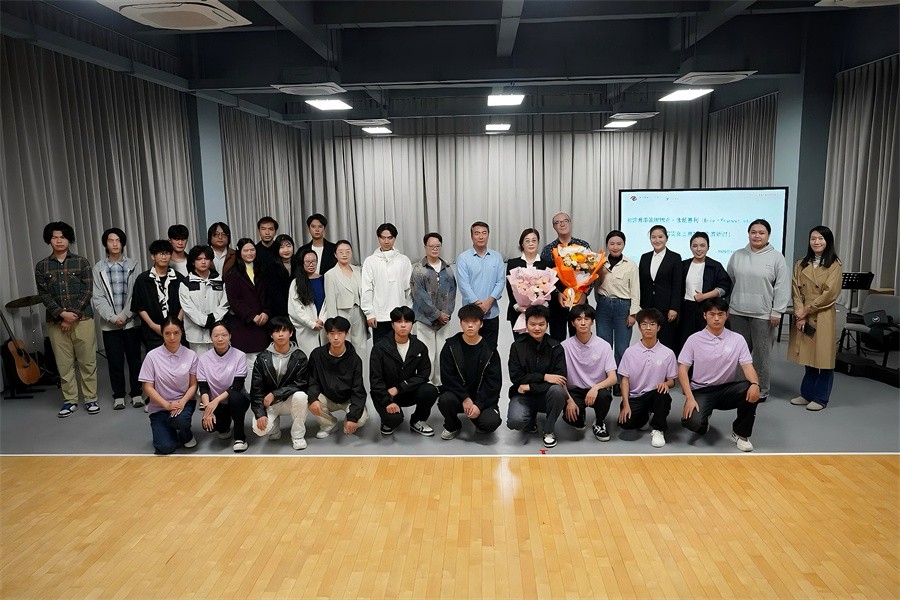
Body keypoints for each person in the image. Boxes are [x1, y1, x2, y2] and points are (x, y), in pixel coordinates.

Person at [679, 298, 761, 452]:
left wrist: (755, 384)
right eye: (712, 314)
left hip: (726, 390)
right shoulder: (694, 340)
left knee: (751, 388)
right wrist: (689, 397)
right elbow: (682, 369)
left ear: (726, 315)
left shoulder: (737, 339)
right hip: (701, 390)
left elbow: (748, 367)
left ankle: (740, 433)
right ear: (705, 316)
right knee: (692, 423)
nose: (716, 318)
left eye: (721, 314)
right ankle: (704, 420)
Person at [35, 221, 99, 417]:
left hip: (83, 318)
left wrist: (72, 315)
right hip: (56, 322)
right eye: (54, 237)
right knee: (64, 364)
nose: (58, 240)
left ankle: (90, 398)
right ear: (49, 240)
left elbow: (87, 290)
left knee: (87, 361)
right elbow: (44, 295)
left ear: (69, 239)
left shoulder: (82, 262)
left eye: (62, 237)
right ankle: (70, 400)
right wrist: (62, 314)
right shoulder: (42, 266)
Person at [726, 219, 789, 402]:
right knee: (740, 353)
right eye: (753, 232)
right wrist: (728, 306)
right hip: (737, 312)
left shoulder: (776, 257)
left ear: (768, 235)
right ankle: (740, 386)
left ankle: (761, 389)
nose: (757, 236)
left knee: (761, 355)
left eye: (761, 233)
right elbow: (730, 282)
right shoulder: (738, 255)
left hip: (763, 315)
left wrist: (777, 311)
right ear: (748, 234)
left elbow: (782, 286)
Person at [788, 226, 843, 411]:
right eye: (813, 238)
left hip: (822, 313)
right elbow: (795, 290)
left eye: (821, 238)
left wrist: (806, 310)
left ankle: (821, 398)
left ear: (828, 241)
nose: (816, 242)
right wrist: (799, 311)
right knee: (807, 356)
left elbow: (830, 294)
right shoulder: (801, 263)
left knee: (824, 358)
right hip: (803, 313)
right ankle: (807, 394)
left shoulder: (834, 264)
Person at [92, 227, 142, 411]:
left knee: (135, 359)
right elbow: (98, 297)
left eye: (118, 240)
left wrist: (125, 315)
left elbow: (136, 293)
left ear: (122, 243)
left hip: (131, 322)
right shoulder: (99, 268)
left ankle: (136, 393)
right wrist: (113, 318)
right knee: (114, 361)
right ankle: (119, 395)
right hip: (109, 324)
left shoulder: (133, 265)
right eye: (111, 240)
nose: (114, 244)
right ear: (105, 244)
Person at [370, 306, 439, 436]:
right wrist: (387, 400)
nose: (403, 325)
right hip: (386, 393)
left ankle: (418, 420)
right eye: (398, 322)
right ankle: (387, 420)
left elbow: (424, 374)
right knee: (394, 420)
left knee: (430, 390)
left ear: (412, 324)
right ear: (392, 324)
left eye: (407, 321)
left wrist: (400, 387)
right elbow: (375, 379)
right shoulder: (380, 348)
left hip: (407, 390)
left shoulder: (419, 346)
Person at [437, 304, 502, 440]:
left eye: (474, 321)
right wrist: (465, 398)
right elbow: (448, 378)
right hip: (458, 397)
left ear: (481, 324)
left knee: (490, 423)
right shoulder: (451, 346)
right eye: (466, 322)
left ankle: (477, 418)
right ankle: (453, 425)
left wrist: (479, 404)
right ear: (461, 323)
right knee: (445, 400)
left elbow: (494, 383)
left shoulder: (490, 349)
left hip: (481, 398)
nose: (470, 325)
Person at [506, 305, 568, 448]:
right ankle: (530, 419)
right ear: (526, 324)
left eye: (541, 324)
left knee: (558, 391)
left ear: (547, 324)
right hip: (523, 395)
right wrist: (544, 377)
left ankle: (549, 430)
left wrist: (530, 386)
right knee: (515, 421)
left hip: (544, 395)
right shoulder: (517, 346)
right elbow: (516, 377)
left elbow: (560, 378)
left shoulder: (556, 347)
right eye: (532, 324)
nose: (537, 328)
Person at [617, 308, 677, 448]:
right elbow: (624, 380)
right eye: (644, 324)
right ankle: (645, 416)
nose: (648, 328)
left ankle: (658, 429)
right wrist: (625, 404)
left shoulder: (668, 353)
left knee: (662, 394)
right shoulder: (630, 352)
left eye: (652, 324)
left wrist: (666, 384)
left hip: (655, 394)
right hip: (635, 396)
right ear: (639, 327)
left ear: (659, 327)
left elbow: (672, 381)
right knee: (626, 424)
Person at [138, 316, 198, 455]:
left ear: (182, 332)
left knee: (181, 421)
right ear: (162, 333)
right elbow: (147, 387)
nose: (172, 337)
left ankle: (185, 434)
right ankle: (169, 429)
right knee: (165, 447)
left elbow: (193, 385)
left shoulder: (191, 355)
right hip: (160, 406)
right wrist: (167, 405)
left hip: (183, 403)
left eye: (176, 333)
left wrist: (181, 403)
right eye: (167, 333)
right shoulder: (152, 356)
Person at [250, 316, 310, 450]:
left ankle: (298, 435)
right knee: (259, 430)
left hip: (289, 400)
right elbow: (256, 389)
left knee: (302, 396)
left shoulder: (300, 356)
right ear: (271, 335)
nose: (281, 334)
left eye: (284, 330)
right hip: (269, 404)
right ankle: (274, 428)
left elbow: (301, 383)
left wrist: (275, 394)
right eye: (276, 331)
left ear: (291, 333)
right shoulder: (262, 358)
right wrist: (260, 414)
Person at [560, 304, 617, 441]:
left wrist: (596, 388)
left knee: (604, 396)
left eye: (587, 319)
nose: (583, 323)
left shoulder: (604, 346)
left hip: (596, 389)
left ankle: (599, 422)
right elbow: (560, 378)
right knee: (576, 422)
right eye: (579, 319)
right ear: (573, 323)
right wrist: (569, 400)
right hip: (574, 390)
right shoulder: (564, 346)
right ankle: (580, 416)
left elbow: (613, 378)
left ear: (592, 322)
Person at [306, 316, 369, 438]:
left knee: (361, 419)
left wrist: (352, 418)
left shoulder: (355, 360)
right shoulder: (317, 355)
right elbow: (312, 380)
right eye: (332, 333)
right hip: (327, 397)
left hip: (348, 399)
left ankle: (348, 421)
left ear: (346, 334)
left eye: (340, 333)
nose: (335, 337)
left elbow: (358, 389)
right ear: (327, 335)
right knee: (307, 400)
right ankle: (329, 424)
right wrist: (313, 399)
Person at [593, 230, 640, 392]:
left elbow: (635, 291)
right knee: (604, 346)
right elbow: (596, 286)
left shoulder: (631, 265)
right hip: (603, 307)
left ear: (624, 245)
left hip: (623, 307)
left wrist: (633, 314)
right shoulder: (600, 263)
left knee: (621, 347)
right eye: (612, 243)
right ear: (607, 245)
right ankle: (606, 382)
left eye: (619, 243)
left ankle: (620, 382)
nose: (615, 247)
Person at [197, 321, 251, 452]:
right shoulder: (204, 359)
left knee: (235, 398)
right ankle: (224, 427)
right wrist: (207, 410)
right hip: (217, 403)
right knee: (208, 425)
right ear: (211, 338)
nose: (220, 338)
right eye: (216, 335)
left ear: (230, 336)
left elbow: (237, 385)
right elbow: (203, 388)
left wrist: (215, 401)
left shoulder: (239, 355)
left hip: (237, 399)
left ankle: (240, 437)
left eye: (224, 335)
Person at [411, 232, 457, 387]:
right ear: (425, 247)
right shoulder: (418, 269)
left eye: (437, 246)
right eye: (431, 246)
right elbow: (419, 295)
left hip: (444, 321)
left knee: (443, 353)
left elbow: (453, 292)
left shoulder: (447, 268)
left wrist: (446, 314)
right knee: (427, 354)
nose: (435, 249)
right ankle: (427, 385)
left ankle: (442, 385)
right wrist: (437, 314)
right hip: (424, 320)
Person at [677, 232, 731, 353]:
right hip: (686, 309)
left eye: (702, 245)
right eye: (695, 246)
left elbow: (724, 288)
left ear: (708, 247)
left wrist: (704, 296)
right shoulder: (683, 265)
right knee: (686, 342)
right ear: (690, 247)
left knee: (706, 343)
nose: (698, 249)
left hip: (707, 309)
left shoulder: (715, 266)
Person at [540, 212, 591, 341]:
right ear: (554, 227)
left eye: (565, 221)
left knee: (580, 339)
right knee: (557, 340)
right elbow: (545, 278)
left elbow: (591, 272)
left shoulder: (583, 245)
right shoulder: (548, 249)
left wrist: (584, 294)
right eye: (557, 222)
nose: (562, 224)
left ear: (570, 223)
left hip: (579, 299)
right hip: (558, 302)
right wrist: (557, 293)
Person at [224, 238, 271, 379]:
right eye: (246, 250)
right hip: (242, 325)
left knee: (263, 363)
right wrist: (252, 316)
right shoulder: (232, 273)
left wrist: (266, 312)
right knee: (246, 366)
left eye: (252, 250)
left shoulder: (262, 270)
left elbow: (269, 294)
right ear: (239, 252)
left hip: (262, 323)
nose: (250, 253)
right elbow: (234, 301)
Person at [455, 221, 505, 349]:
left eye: (484, 233)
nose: (481, 236)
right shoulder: (463, 258)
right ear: (471, 236)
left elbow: (500, 282)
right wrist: (478, 305)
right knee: (470, 349)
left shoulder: (497, 257)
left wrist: (488, 302)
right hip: (470, 315)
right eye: (477, 233)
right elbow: (464, 285)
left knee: (491, 348)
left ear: (488, 235)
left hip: (492, 312)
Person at [360, 223, 412, 345]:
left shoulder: (403, 260)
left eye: (390, 238)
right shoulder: (370, 261)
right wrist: (369, 313)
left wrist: (408, 312)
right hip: (379, 316)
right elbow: (367, 289)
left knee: (401, 348)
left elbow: (409, 289)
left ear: (395, 238)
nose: (386, 241)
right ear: (378, 238)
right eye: (383, 238)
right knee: (380, 349)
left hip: (400, 316)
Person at [131, 239, 184, 354]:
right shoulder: (143, 280)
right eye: (160, 253)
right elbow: (138, 306)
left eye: (167, 253)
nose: (164, 257)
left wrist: (176, 324)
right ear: (153, 256)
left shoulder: (179, 278)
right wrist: (153, 325)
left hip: (176, 331)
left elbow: (185, 303)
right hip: (152, 332)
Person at [179, 245, 229, 356]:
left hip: (218, 330)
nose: (203, 262)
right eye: (199, 259)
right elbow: (187, 307)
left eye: (206, 259)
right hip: (196, 334)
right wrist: (204, 321)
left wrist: (214, 318)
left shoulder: (219, 280)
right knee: (199, 364)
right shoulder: (186, 283)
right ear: (193, 262)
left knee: (220, 362)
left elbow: (225, 303)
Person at [638, 225, 683, 350]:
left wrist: (674, 307)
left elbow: (677, 285)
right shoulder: (645, 257)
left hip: (666, 309)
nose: (657, 240)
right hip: (648, 306)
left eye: (660, 237)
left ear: (666, 238)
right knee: (648, 339)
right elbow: (641, 282)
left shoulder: (675, 258)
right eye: (653, 237)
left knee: (666, 341)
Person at [321, 240, 368, 356]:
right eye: (341, 252)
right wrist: (333, 324)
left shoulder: (358, 271)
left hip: (358, 312)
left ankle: (362, 368)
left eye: (347, 251)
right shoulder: (330, 274)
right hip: (341, 313)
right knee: (344, 345)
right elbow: (330, 301)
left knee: (361, 345)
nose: (344, 254)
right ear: (335, 254)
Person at [506, 228, 554, 336]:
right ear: (522, 244)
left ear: (538, 242)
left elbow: (550, 290)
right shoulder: (513, 263)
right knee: (520, 344)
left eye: (534, 240)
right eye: (527, 241)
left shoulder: (547, 264)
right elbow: (510, 288)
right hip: (518, 312)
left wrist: (542, 306)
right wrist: (517, 306)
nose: (531, 243)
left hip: (540, 314)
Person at [288, 251, 325, 359]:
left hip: (323, 326)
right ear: (302, 263)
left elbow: (328, 303)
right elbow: (295, 309)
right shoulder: (296, 283)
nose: (311, 264)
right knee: (310, 359)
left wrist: (322, 320)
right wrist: (311, 324)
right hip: (306, 329)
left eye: (314, 261)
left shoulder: (324, 279)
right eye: (308, 262)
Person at [267, 233, 296, 318]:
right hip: (279, 310)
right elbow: (273, 293)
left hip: (296, 307)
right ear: (277, 249)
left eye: (288, 246)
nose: (286, 250)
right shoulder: (272, 266)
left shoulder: (298, 263)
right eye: (281, 247)